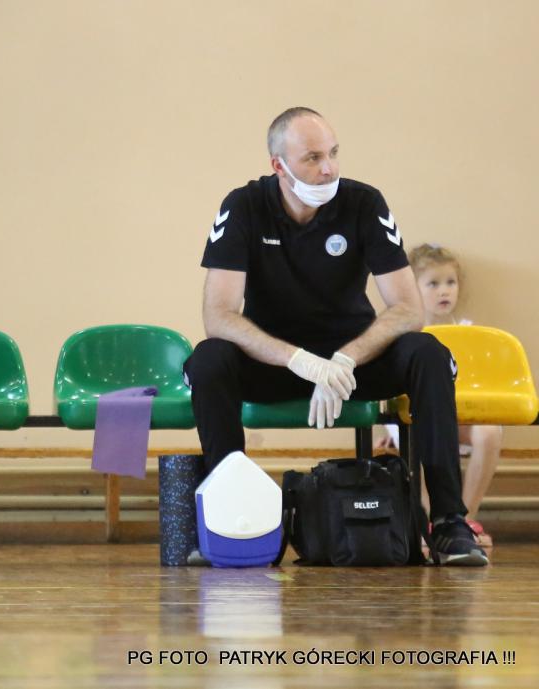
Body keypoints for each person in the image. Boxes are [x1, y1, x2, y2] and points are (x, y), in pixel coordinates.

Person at [182, 107, 488, 566]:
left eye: (333, 153)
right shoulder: (243, 206)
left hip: (352, 365)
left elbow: (408, 309)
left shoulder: (364, 203)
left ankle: (448, 523)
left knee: (427, 352)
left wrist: (344, 359)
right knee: (208, 359)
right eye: (312, 158)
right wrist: (301, 360)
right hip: (277, 364)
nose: (328, 168)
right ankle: (228, 520)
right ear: (278, 165)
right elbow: (219, 316)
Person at [378, 243, 503, 547]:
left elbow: (479, 383)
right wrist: (388, 430)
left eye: (450, 282)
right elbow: (389, 387)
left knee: (489, 431)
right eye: (433, 284)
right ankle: (430, 519)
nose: (444, 291)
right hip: (415, 416)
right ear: (412, 288)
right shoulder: (406, 335)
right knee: (414, 436)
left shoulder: (470, 333)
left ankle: (464, 518)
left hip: (462, 414)